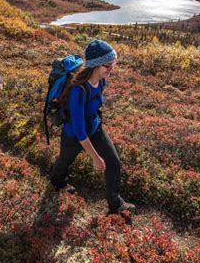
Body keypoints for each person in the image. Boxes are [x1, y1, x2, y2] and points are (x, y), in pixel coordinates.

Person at [50, 40, 136, 215]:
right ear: (95, 65)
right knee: (64, 162)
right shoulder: (78, 90)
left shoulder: (102, 81)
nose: (112, 67)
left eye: (113, 63)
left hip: (95, 127)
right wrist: (95, 158)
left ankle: (116, 204)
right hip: (74, 135)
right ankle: (58, 183)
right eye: (108, 64)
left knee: (114, 162)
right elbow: (80, 130)